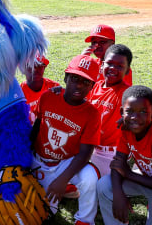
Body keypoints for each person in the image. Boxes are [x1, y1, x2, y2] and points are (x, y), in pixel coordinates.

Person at [30, 54, 101, 225]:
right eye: (75, 78)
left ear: (92, 86)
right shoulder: (48, 97)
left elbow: (85, 153)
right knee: (42, 214)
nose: (79, 85)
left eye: (86, 82)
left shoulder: (92, 113)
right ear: (65, 77)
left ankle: (84, 220)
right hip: (39, 161)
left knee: (90, 176)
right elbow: (36, 128)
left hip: (64, 163)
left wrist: (62, 180)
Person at [97, 85, 152, 225]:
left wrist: (128, 174)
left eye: (143, 112)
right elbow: (117, 164)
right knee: (104, 185)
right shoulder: (127, 129)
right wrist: (119, 195)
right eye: (129, 111)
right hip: (143, 179)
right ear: (122, 112)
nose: (135, 117)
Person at [87, 44, 133, 176]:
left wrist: (128, 118)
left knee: (98, 186)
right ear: (102, 64)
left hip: (111, 154)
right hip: (91, 148)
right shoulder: (94, 87)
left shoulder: (126, 93)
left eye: (120, 66)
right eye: (109, 63)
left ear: (127, 70)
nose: (113, 68)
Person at [20, 54, 60, 124]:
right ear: (23, 69)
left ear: (44, 67)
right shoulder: (19, 93)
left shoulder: (53, 87)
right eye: (30, 66)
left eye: (39, 65)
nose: (35, 69)